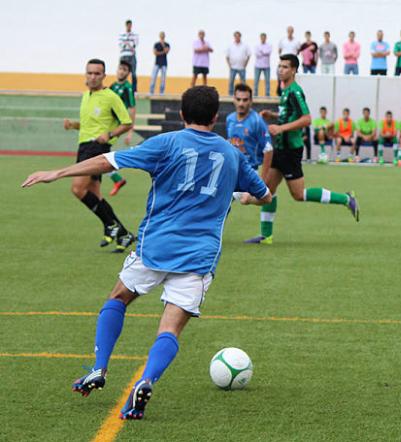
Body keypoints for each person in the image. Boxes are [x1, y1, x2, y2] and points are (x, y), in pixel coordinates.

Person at [22, 85, 272, 420]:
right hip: (199, 257)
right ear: (217, 117)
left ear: (182, 115)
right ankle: (147, 379)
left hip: (155, 246)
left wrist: (59, 172)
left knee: (118, 298)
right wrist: (242, 193)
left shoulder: (166, 143)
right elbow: (265, 195)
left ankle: (99, 367)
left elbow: (108, 159)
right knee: (169, 329)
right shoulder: (231, 155)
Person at [245, 54, 359, 244]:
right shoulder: (285, 91)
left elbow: (307, 118)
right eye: (279, 66)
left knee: (298, 194)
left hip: (290, 150)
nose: (281, 69)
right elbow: (290, 115)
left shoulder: (295, 92)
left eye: (285, 67)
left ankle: (346, 199)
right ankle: (266, 236)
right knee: (268, 191)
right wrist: (273, 115)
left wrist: (280, 128)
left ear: (294, 70)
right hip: (280, 148)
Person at [61, 59, 134, 252]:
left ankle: (111, 225)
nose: (93, 77)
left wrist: (109, 134)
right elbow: (87, 125)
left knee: (77, 188)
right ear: (86, 74)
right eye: (90, 73)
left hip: (97, 148)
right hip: (83, 146)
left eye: (97, 73)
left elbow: (127, 122)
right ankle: (124, 234)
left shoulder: (110, 96)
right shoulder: (85, 96)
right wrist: (73, 126)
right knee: (94, 194)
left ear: (103, 76)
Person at [227, 83, 273, 181]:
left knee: (245, 197)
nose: (241, 104)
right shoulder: (229, 119)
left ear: (251, 101)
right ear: (233, 100)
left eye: (245, 100)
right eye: (238, 99)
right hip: (233, 172)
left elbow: (268, 150)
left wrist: (262, 180)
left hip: (251, 172)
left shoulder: (257, 121)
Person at [108, 61, 136, 196]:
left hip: (116, 126)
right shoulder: (112, 86)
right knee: (97, 152)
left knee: (98, 152)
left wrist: (130, 132)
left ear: (128, 73)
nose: (121, 71)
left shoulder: (128, 88)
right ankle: (116, 179)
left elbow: (132, 109)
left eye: (125, 70)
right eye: (120, 69)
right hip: (106, 123)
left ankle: (116, 179)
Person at [226, 31, 251, 95]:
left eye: (238, 36)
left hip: (242, 68)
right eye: (236, 36)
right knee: (231, 82)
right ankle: (230, 95)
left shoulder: (245, 46)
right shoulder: (230, 46)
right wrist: (229, 66)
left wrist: (245, 64)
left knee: (243, 83)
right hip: (233, 68)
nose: (237, 37)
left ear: (240, 37)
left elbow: (249, 55)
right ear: (234, 37)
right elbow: (227, 56)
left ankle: (243, 94)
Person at [118, 19, 139, 91]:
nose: (129, 27)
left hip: (132, 56)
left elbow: (135, 45)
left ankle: (134, 90)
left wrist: (127, 43)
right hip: (123, 55)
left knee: (133, 73)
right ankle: (122, 88)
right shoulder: (121, 35)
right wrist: (129, 44)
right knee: (122, 73)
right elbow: (121, 45)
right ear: (126, 26)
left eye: (130, 25)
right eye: (128, 25)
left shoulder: (135, 35)